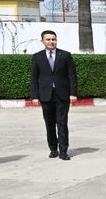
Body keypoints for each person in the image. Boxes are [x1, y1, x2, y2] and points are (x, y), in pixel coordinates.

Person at [29, 30, 78, 160]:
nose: (51, 42)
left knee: (62, 123)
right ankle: (53, 149)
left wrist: (73, 93)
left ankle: (63, 151)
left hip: (62, 95)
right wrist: (34, 96)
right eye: (48, 39)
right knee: (49, 124)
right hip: (45, 95)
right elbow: (34, 78)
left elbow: (72, 75)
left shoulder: (65, 55)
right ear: (43, 41)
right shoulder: (37, 57)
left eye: (53, 39)